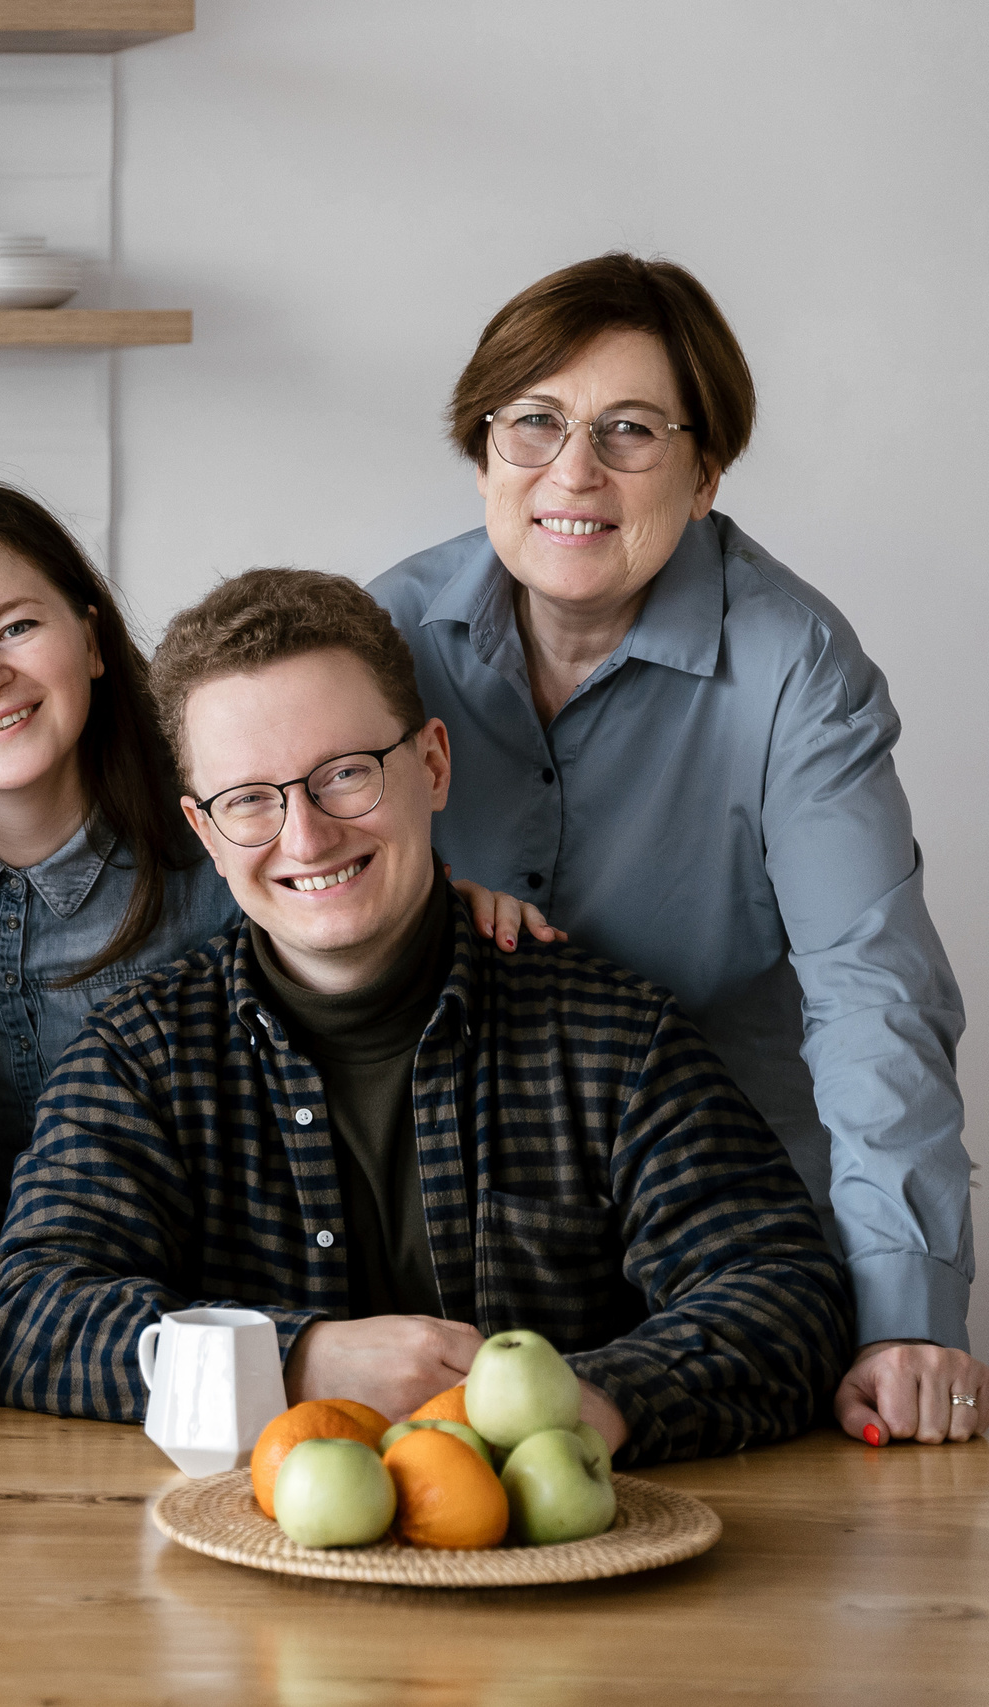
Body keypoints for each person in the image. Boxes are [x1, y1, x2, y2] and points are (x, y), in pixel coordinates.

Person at [0, 569, 851, 1467]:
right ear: (205, 831)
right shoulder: (142, 1056)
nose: (307, 837)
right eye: (250, 799)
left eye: (346, 775)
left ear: (432, 765)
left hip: (562, 1568)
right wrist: (299, 1359)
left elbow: (783, 1290)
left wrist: (589, 1404)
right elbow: (28, 1311)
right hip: (240, 1576)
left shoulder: (614, 1039)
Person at [367, 254, 976, 1447]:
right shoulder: (384, 631)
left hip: (727, 1248)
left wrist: (906, 1311)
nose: (573, 473)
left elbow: (873, 991)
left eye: (629, 431)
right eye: (532, 423)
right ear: (483, 449)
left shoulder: (798, 667)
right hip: (459, 1236)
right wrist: (419, 890)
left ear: (705, 474)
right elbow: (276, 853)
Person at [0, 483, 551, 1250]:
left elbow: (347, 903)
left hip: (190, 1291)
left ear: (90, 641)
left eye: (17, 627)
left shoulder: (222, 832)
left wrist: (443, 909)